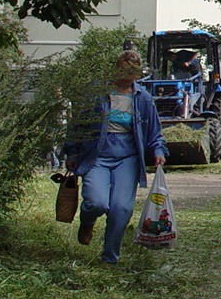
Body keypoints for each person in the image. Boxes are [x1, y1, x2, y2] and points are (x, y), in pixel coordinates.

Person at [63, 51, 168, 265]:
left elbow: (155, 132)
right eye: (122, 70)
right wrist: (72, 151)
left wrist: (158, 151)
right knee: (96, 202)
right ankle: (87, 221)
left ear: (137, 74)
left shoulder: (144, 99)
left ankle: (109, 258)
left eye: (130, 72)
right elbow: (79, 125)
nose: (125, 75)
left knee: (121, 209)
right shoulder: (96, 93)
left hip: (127, 157)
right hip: (97, 154)